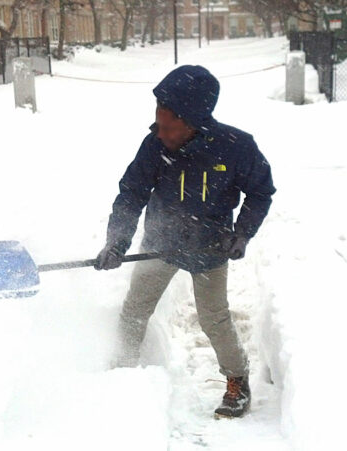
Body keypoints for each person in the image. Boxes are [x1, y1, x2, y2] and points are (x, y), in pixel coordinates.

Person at [94, 65, 275, 418]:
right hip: (160, 243)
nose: (160, 132)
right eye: (158, 123)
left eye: (169, 125)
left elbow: (261, 192)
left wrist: (241, 234)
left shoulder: (236, 147)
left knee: (214, 318)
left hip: (211, 248)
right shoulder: (154, 145)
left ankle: (237, 380)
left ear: (193, 120)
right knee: (135, 309)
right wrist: (116, 243)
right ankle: (121, 372)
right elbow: (131, 194)